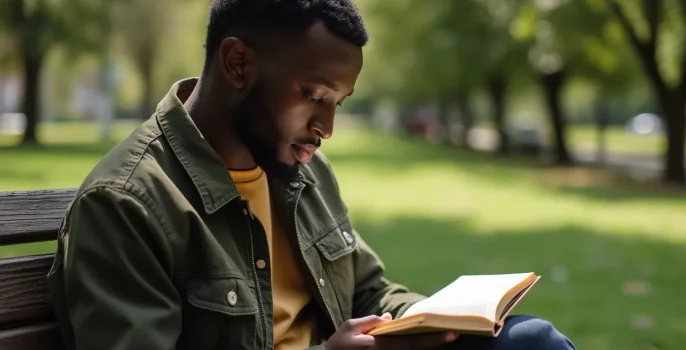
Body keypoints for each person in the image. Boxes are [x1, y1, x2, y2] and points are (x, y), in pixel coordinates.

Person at [46, 1, 576, 349]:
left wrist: (432, 321)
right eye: (314, 97)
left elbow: (368, 291)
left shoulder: (302, 169)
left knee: (529, 341)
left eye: (339, 102)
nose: (326, 127)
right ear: (237, 64)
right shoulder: (126, 205)